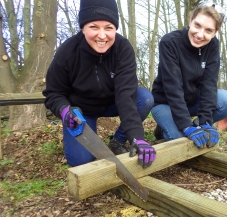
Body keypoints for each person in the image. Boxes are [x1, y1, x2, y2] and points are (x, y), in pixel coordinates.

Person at [42, 0, 156, 168]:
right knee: (81, 161)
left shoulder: (123, 49)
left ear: (115, 29)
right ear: (83, 28)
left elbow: (126, 95)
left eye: (108, 28)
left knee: (145, 98)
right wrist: (65, 111)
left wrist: (137, 137)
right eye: (94, 27)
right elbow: (53, 93)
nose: (102, 35)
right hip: (81, 113)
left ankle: (118, 141)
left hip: (113, 102)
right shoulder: (68, 52)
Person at [151, 1, 227, 148]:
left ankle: (196, 124)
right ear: (190, 20)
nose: (200, 34)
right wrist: (185, 125)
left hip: (192, 101)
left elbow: (209, 84)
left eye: (208, 30)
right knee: (179, 139)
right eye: (197, 25)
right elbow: (173, 88)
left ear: (215, 32)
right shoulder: (170, 42)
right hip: (165, 102)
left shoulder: (213, 46)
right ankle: (166, 126)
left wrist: (205, 121)